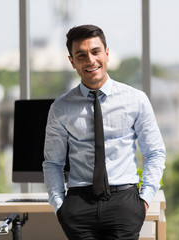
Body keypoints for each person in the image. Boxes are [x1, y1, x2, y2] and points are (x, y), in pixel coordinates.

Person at [42, 24, 166, 240]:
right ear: (72, 61)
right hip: (79, 204)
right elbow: (53, 162)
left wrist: (144, 201)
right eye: (81, 55)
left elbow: (155, 152)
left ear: (107, 54)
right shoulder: (61, 107)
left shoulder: (135, 100)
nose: (90, 60)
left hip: (124, 202)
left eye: (95, 52)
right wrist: (60, 207)